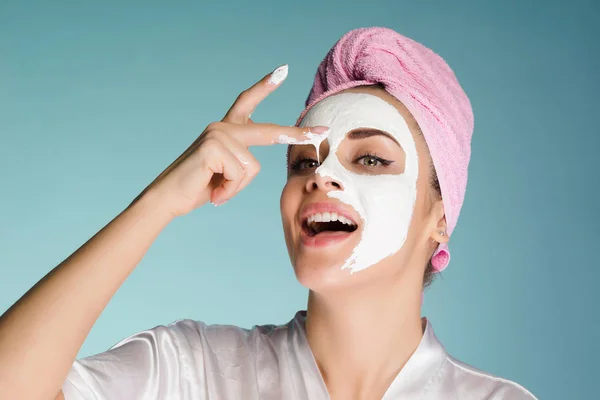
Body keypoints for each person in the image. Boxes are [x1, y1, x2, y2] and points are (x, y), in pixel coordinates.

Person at [0, 27, 537, 400]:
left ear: (440, 218)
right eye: (303, 161)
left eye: (370, 159)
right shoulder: (189, 371)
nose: (320, 177)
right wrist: (158, 201)